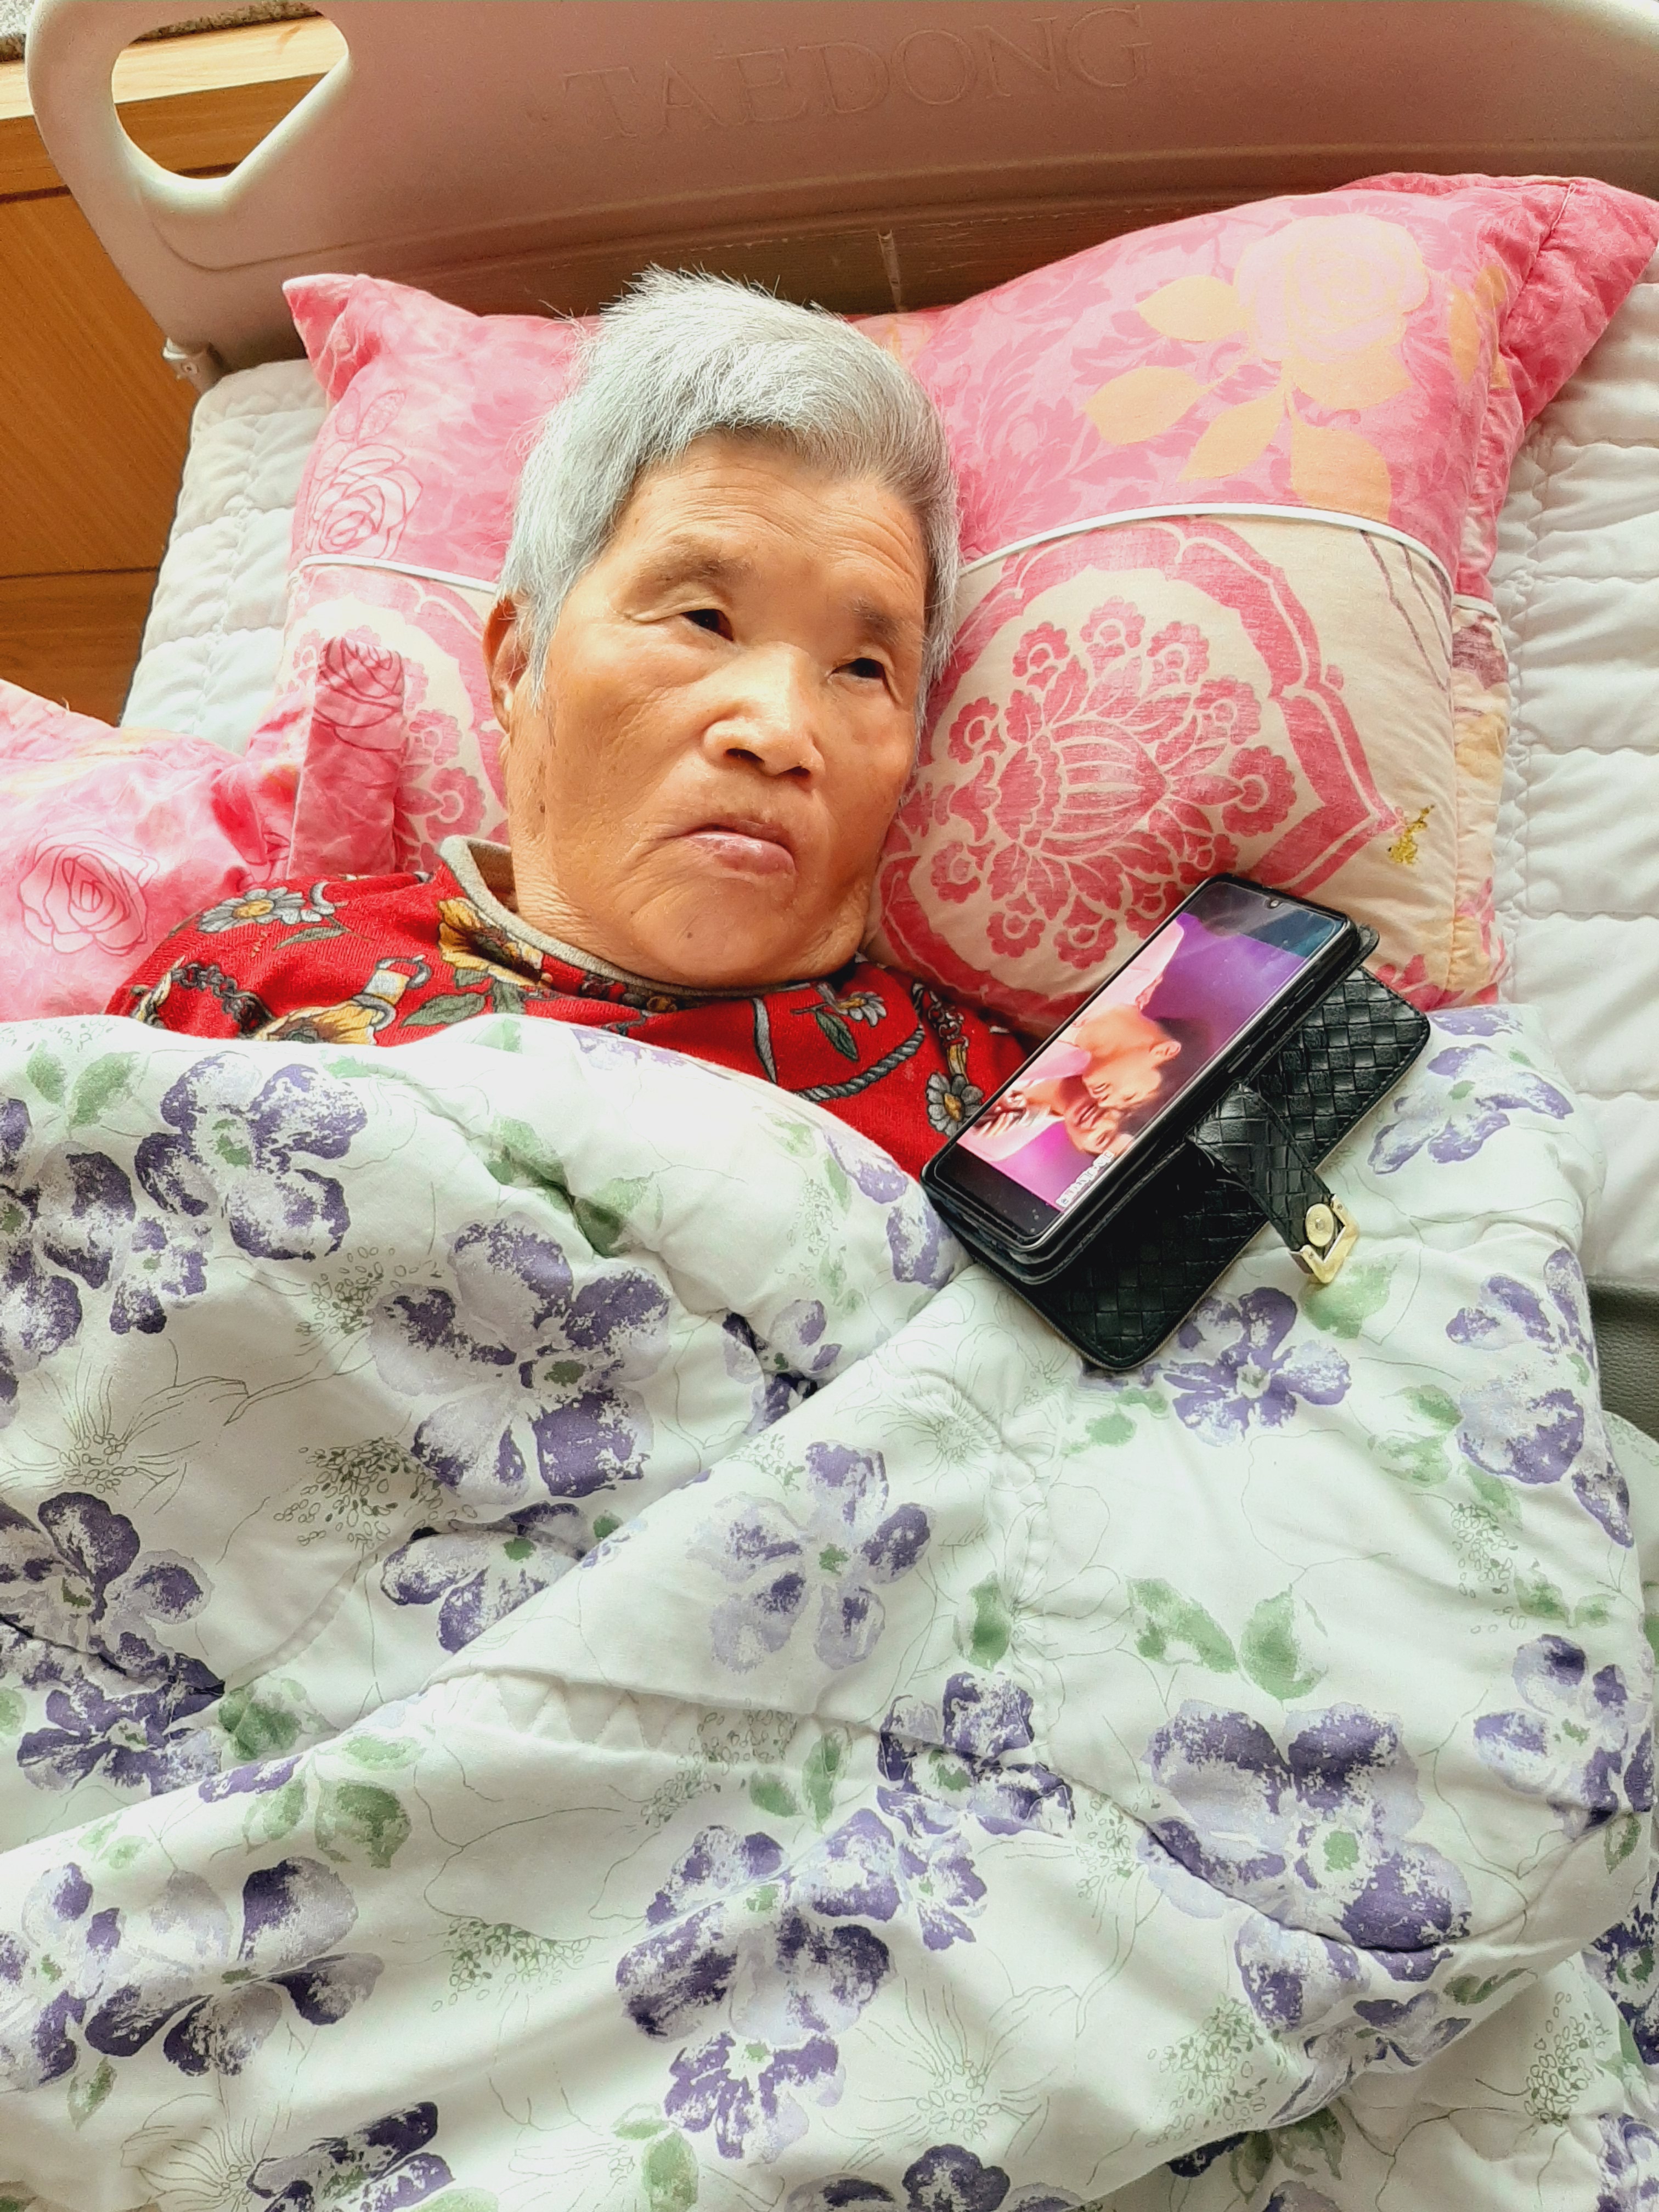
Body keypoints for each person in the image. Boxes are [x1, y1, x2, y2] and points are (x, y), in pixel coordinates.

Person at [109, 272, 1031, 1180]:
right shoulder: (249, 971)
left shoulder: (992, 1107)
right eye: (705, 619)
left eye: (864, 669)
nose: (782, 731)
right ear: (520, 665)